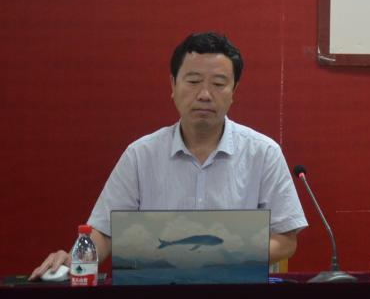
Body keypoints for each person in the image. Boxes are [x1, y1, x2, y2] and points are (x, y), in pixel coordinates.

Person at [30, 32, 307, 280]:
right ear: (173, 85)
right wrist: (75, 260)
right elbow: (104, 231)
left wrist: (220, 257)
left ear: (234, 91)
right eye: (193, 81)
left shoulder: (263, 153)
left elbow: (285, 239)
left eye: (219, 83)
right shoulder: (141, 155)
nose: (205, 94)